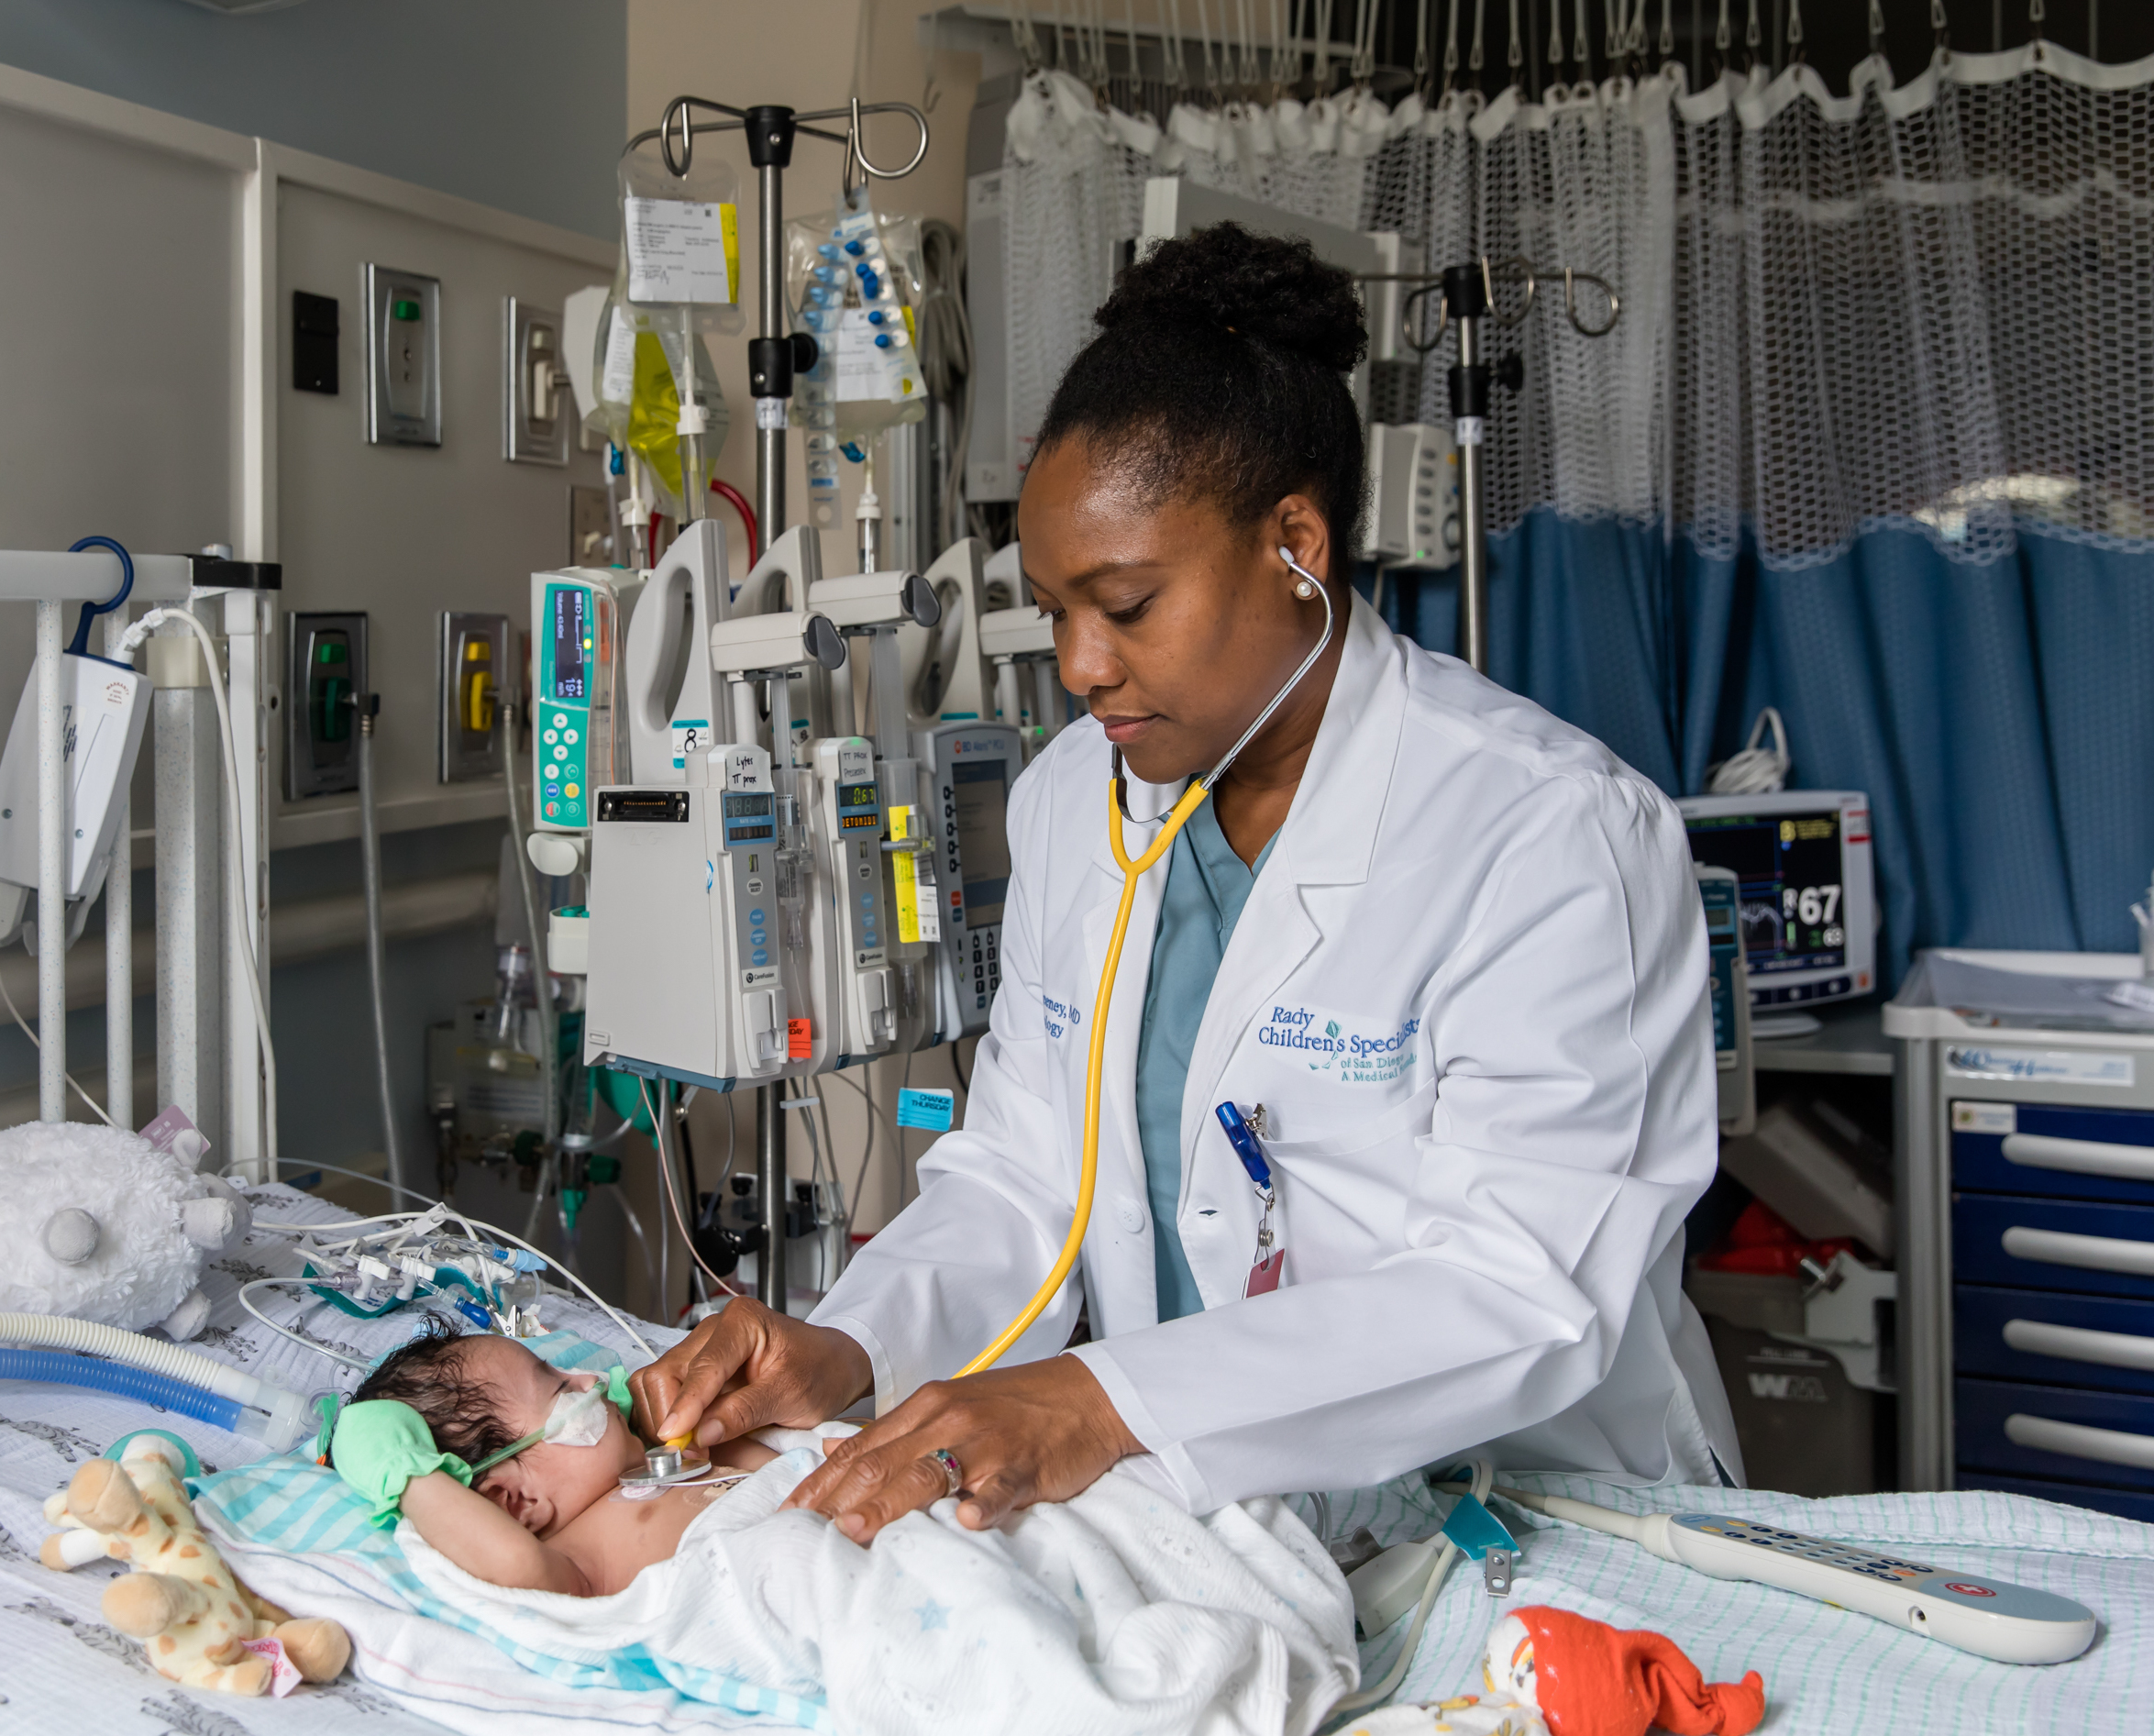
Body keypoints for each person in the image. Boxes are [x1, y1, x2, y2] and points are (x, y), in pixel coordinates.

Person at [634, 221, 1740, 1545]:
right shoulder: (1071, 805)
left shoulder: (1551, 833)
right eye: (1053, 609)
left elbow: (1523, 1285)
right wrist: (852, 1344)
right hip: (1234, 1526)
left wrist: (1099, 1401)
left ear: (1296, 544)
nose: (1083, 664)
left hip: (1553, 1520)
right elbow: (1025, 1180)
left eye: (1129, 602)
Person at [328, 1320, 786, 1596]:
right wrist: (406, 1475)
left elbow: (780, 1474)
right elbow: (515, 1565)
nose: (591, 1379)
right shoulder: (572, 1563)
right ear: (515, 1502)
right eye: (561, 1388)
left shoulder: (651, 1463)